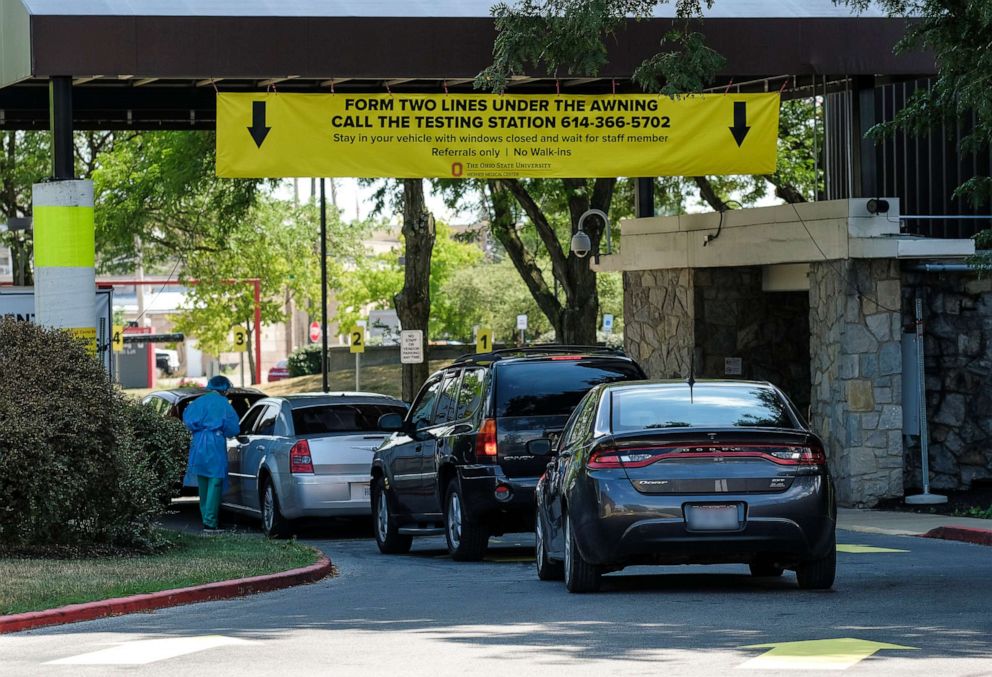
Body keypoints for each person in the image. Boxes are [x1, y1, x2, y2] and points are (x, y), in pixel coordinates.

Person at [182, 375, 241, 533]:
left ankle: (206, 519)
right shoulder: (223, 404)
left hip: (198, 441)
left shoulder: (199, 402)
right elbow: (233, 428)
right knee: (215, 481)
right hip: (214, 443)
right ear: (224, 389)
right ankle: (210, 523)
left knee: (203, 481)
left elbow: (187, 420)